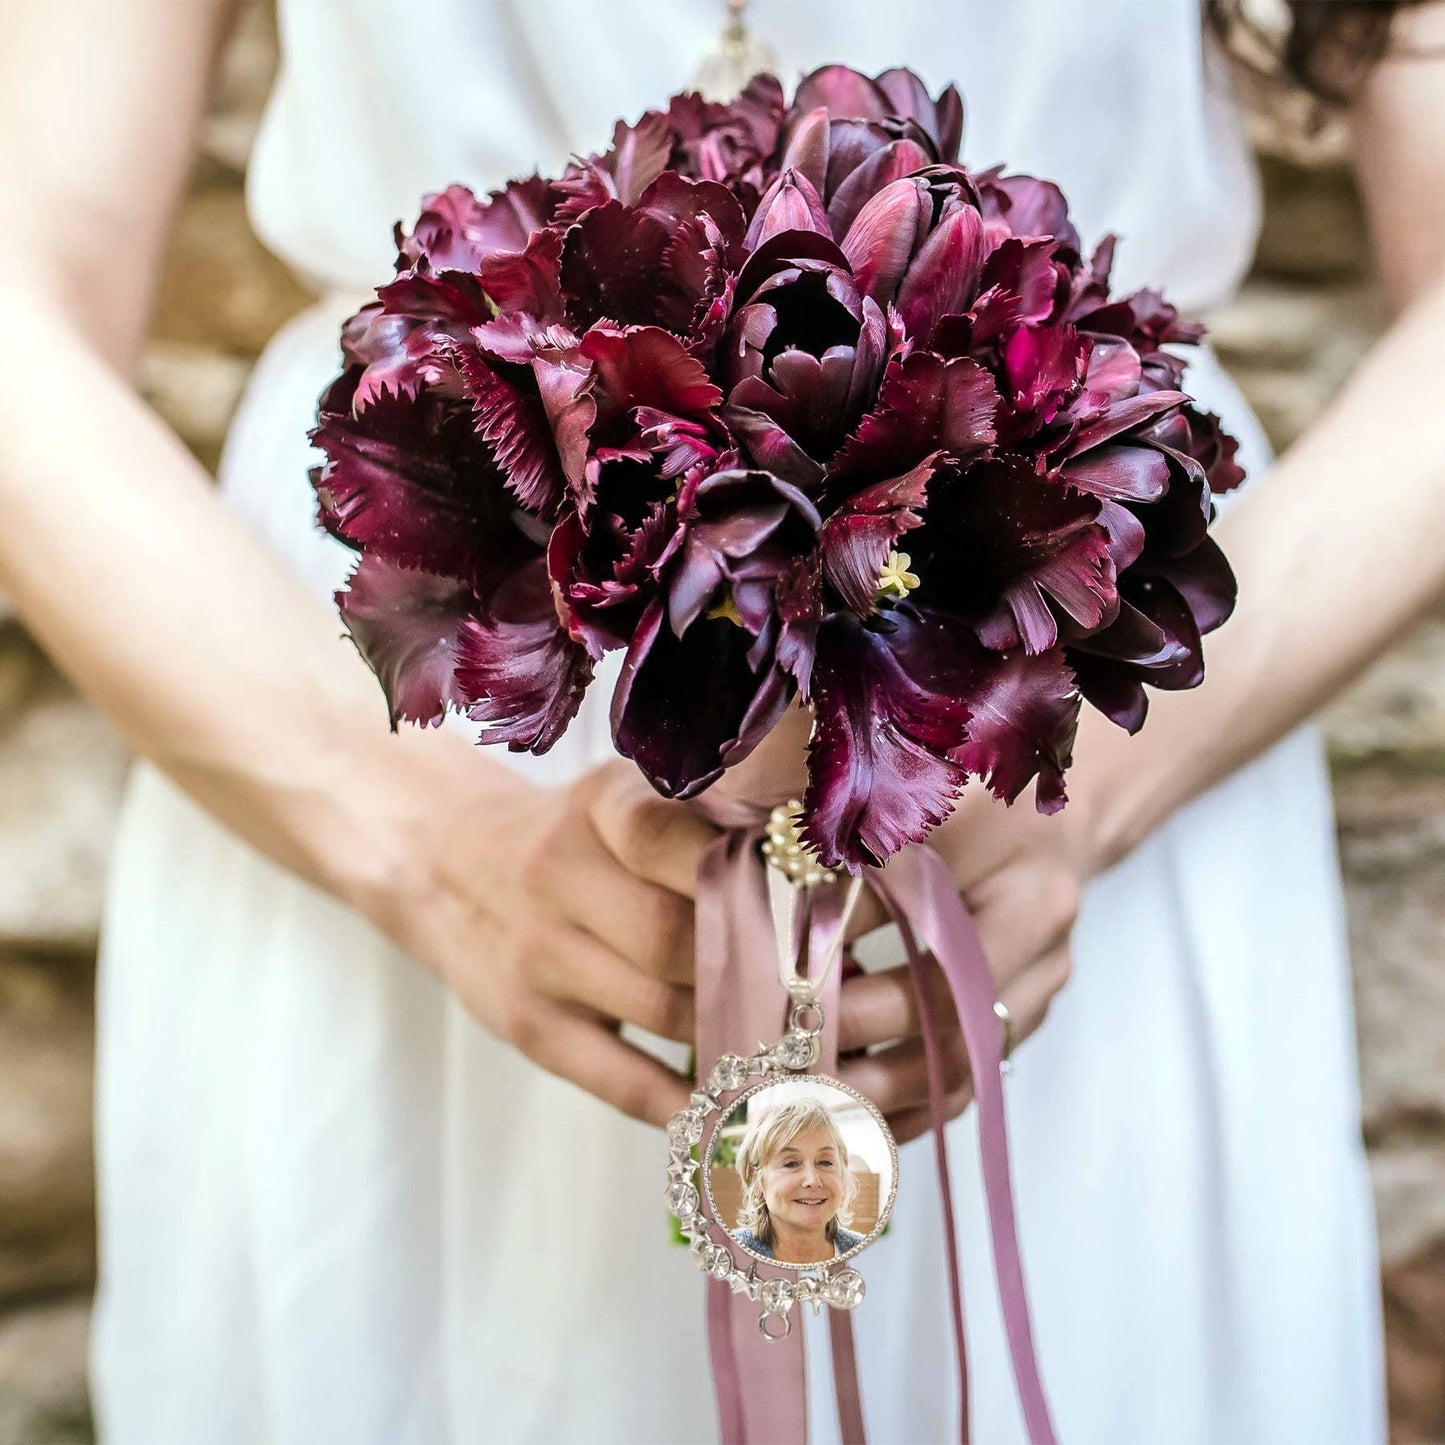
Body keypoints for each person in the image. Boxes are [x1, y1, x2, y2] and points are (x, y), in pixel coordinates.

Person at [1, 0, 1442, 1441]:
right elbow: (24, 305)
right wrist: (426, 849)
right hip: (390, 757)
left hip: (1063, 755)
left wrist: (1105, 781)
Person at [731, 1099, 868, 1265]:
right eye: (791, 1164)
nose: (813, 1180)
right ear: (755, 1178)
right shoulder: (730, 1255)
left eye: (825, 1162)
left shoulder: (865, 1252)